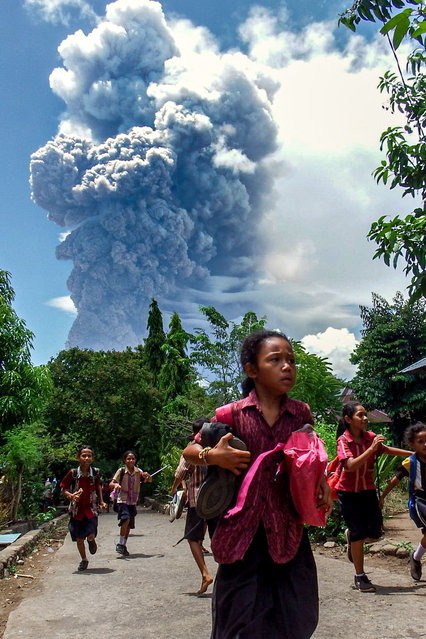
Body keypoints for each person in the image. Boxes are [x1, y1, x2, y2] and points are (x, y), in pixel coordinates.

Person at [183, 329, 332, 639]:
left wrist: (323, 482)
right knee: (239, 621)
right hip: (241, 534)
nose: (287, 366)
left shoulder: (301, 414)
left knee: (297, 616)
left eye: (291, 360)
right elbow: (190, 452)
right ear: (252, 370)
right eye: (275, 359)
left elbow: (310, 457)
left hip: (287, 530)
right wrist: (214, 456)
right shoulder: (231, 415)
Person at [335, 401, 411, 592]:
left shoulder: (371, 438)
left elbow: (387, 450)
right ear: (348, 419)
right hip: (348, 493)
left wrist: (415, 454)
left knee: (375, 533)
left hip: (368, 491)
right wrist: (371, 449)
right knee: (358, 534)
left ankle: (352, 540)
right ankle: (360, 576)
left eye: (365, 414)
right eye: (360, 415)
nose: (365, 418)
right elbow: (350, 466)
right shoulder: (343, 441)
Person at [171, 417, 214, 595]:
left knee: (192, 537)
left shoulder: (191, 449)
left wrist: (174, 489)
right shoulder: (216, 445)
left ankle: (205, 574)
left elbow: (180, 472)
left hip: (198, 499)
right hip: (218, 498)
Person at [379, 421, 426, 581]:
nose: (425, 444)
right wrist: (383, 496)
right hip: (420, 501)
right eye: (420, 441)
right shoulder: (410, 462)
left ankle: (416, 558)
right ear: (412, 444)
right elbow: (395, 480)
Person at [60, 446, 106, 571]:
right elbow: (63, 487)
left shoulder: (95, 473)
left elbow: (98, 487)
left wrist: (101, 501)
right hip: (76, 511)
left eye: (89, 456)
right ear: (78, 458)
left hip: (91, 509)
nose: (86, 458)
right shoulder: (73, 473)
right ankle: (84, 559)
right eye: (84, 455)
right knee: (79, 538)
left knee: (91, 532)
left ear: (93, 458)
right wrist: (70, 495)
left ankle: (91, 540)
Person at [110, 451, 152, 556]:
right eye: (128, 459)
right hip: (122, 499)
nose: (131, 460)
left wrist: (147, 476)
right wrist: (116, 485)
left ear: (135, 460)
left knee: (129, 524)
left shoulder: (139, 472)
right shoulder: (121, 471)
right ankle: (120, 543)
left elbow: (149, 480)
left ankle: (123, 545)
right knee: (126, 518)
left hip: (133, 501)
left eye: (133, 458)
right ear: (125, 460)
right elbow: (112, 483)